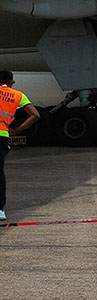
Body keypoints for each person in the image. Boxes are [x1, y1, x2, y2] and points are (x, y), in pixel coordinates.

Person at [0, 71, 40, 223]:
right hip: (2, 136)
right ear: (10, 82)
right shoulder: (17, 95)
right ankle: (0, 208)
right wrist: (18, 129)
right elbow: (35, 115)